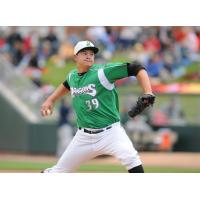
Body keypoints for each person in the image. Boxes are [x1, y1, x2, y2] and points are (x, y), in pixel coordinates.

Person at [40, 40, 155, 173]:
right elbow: (66, 85)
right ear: (75, 57)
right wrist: (50, 99)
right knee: (57, 171)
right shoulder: (72, 76)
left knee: (132, 160)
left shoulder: (102, 73)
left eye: (91, 53)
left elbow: (137, 68)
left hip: (111, 133)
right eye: (84, 53)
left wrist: (148, 91)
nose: (89, 55)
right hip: (83, 137)